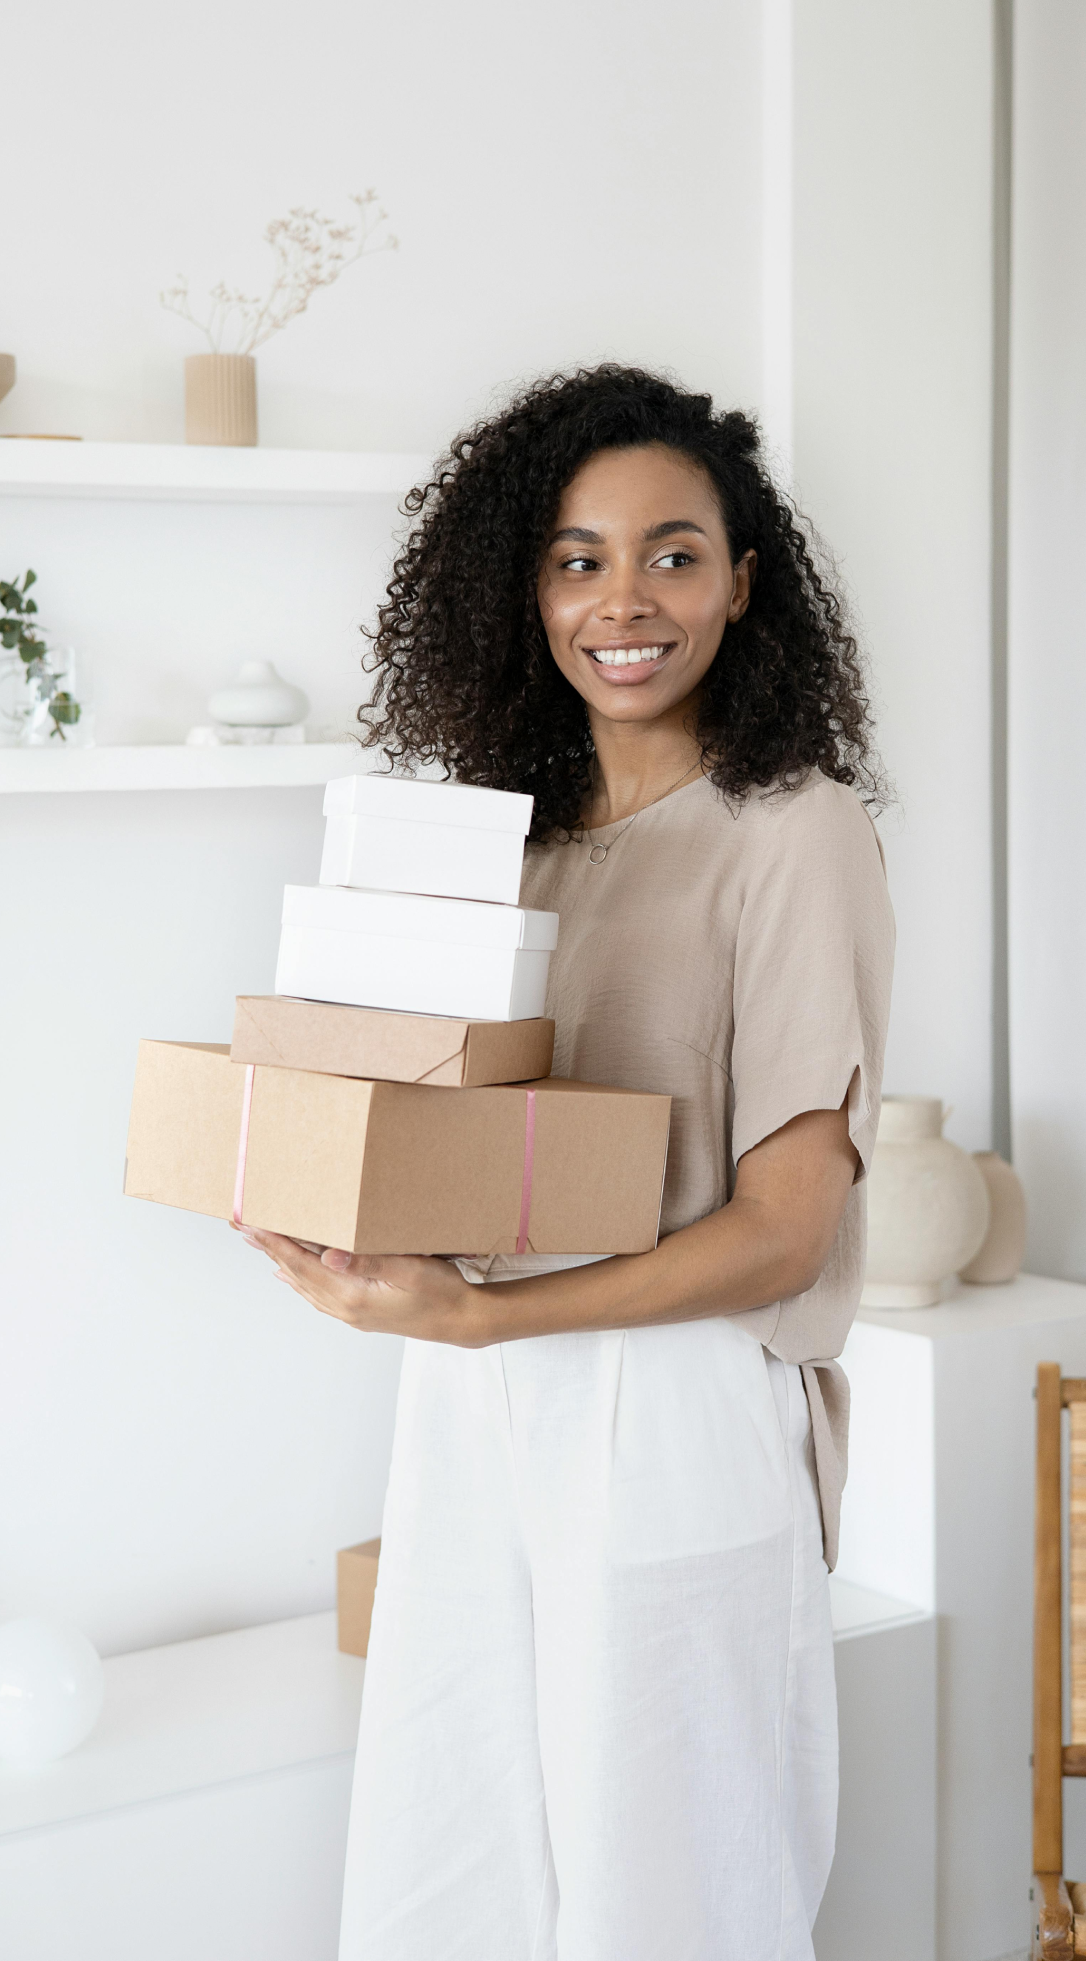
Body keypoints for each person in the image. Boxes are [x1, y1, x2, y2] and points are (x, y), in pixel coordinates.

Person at [238, 366, 892, 1957]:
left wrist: (480, 1319)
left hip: (668, 1402)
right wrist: (332, 1221)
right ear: (523, 589)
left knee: (672, 1897)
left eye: (673, 553)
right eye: (575, 558)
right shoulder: (507, 846)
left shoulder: (790, 830)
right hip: (471, 1408)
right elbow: (455, 1148)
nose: (623, 600)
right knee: (446, 1863)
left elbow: (784, 1231)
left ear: (744, 584)